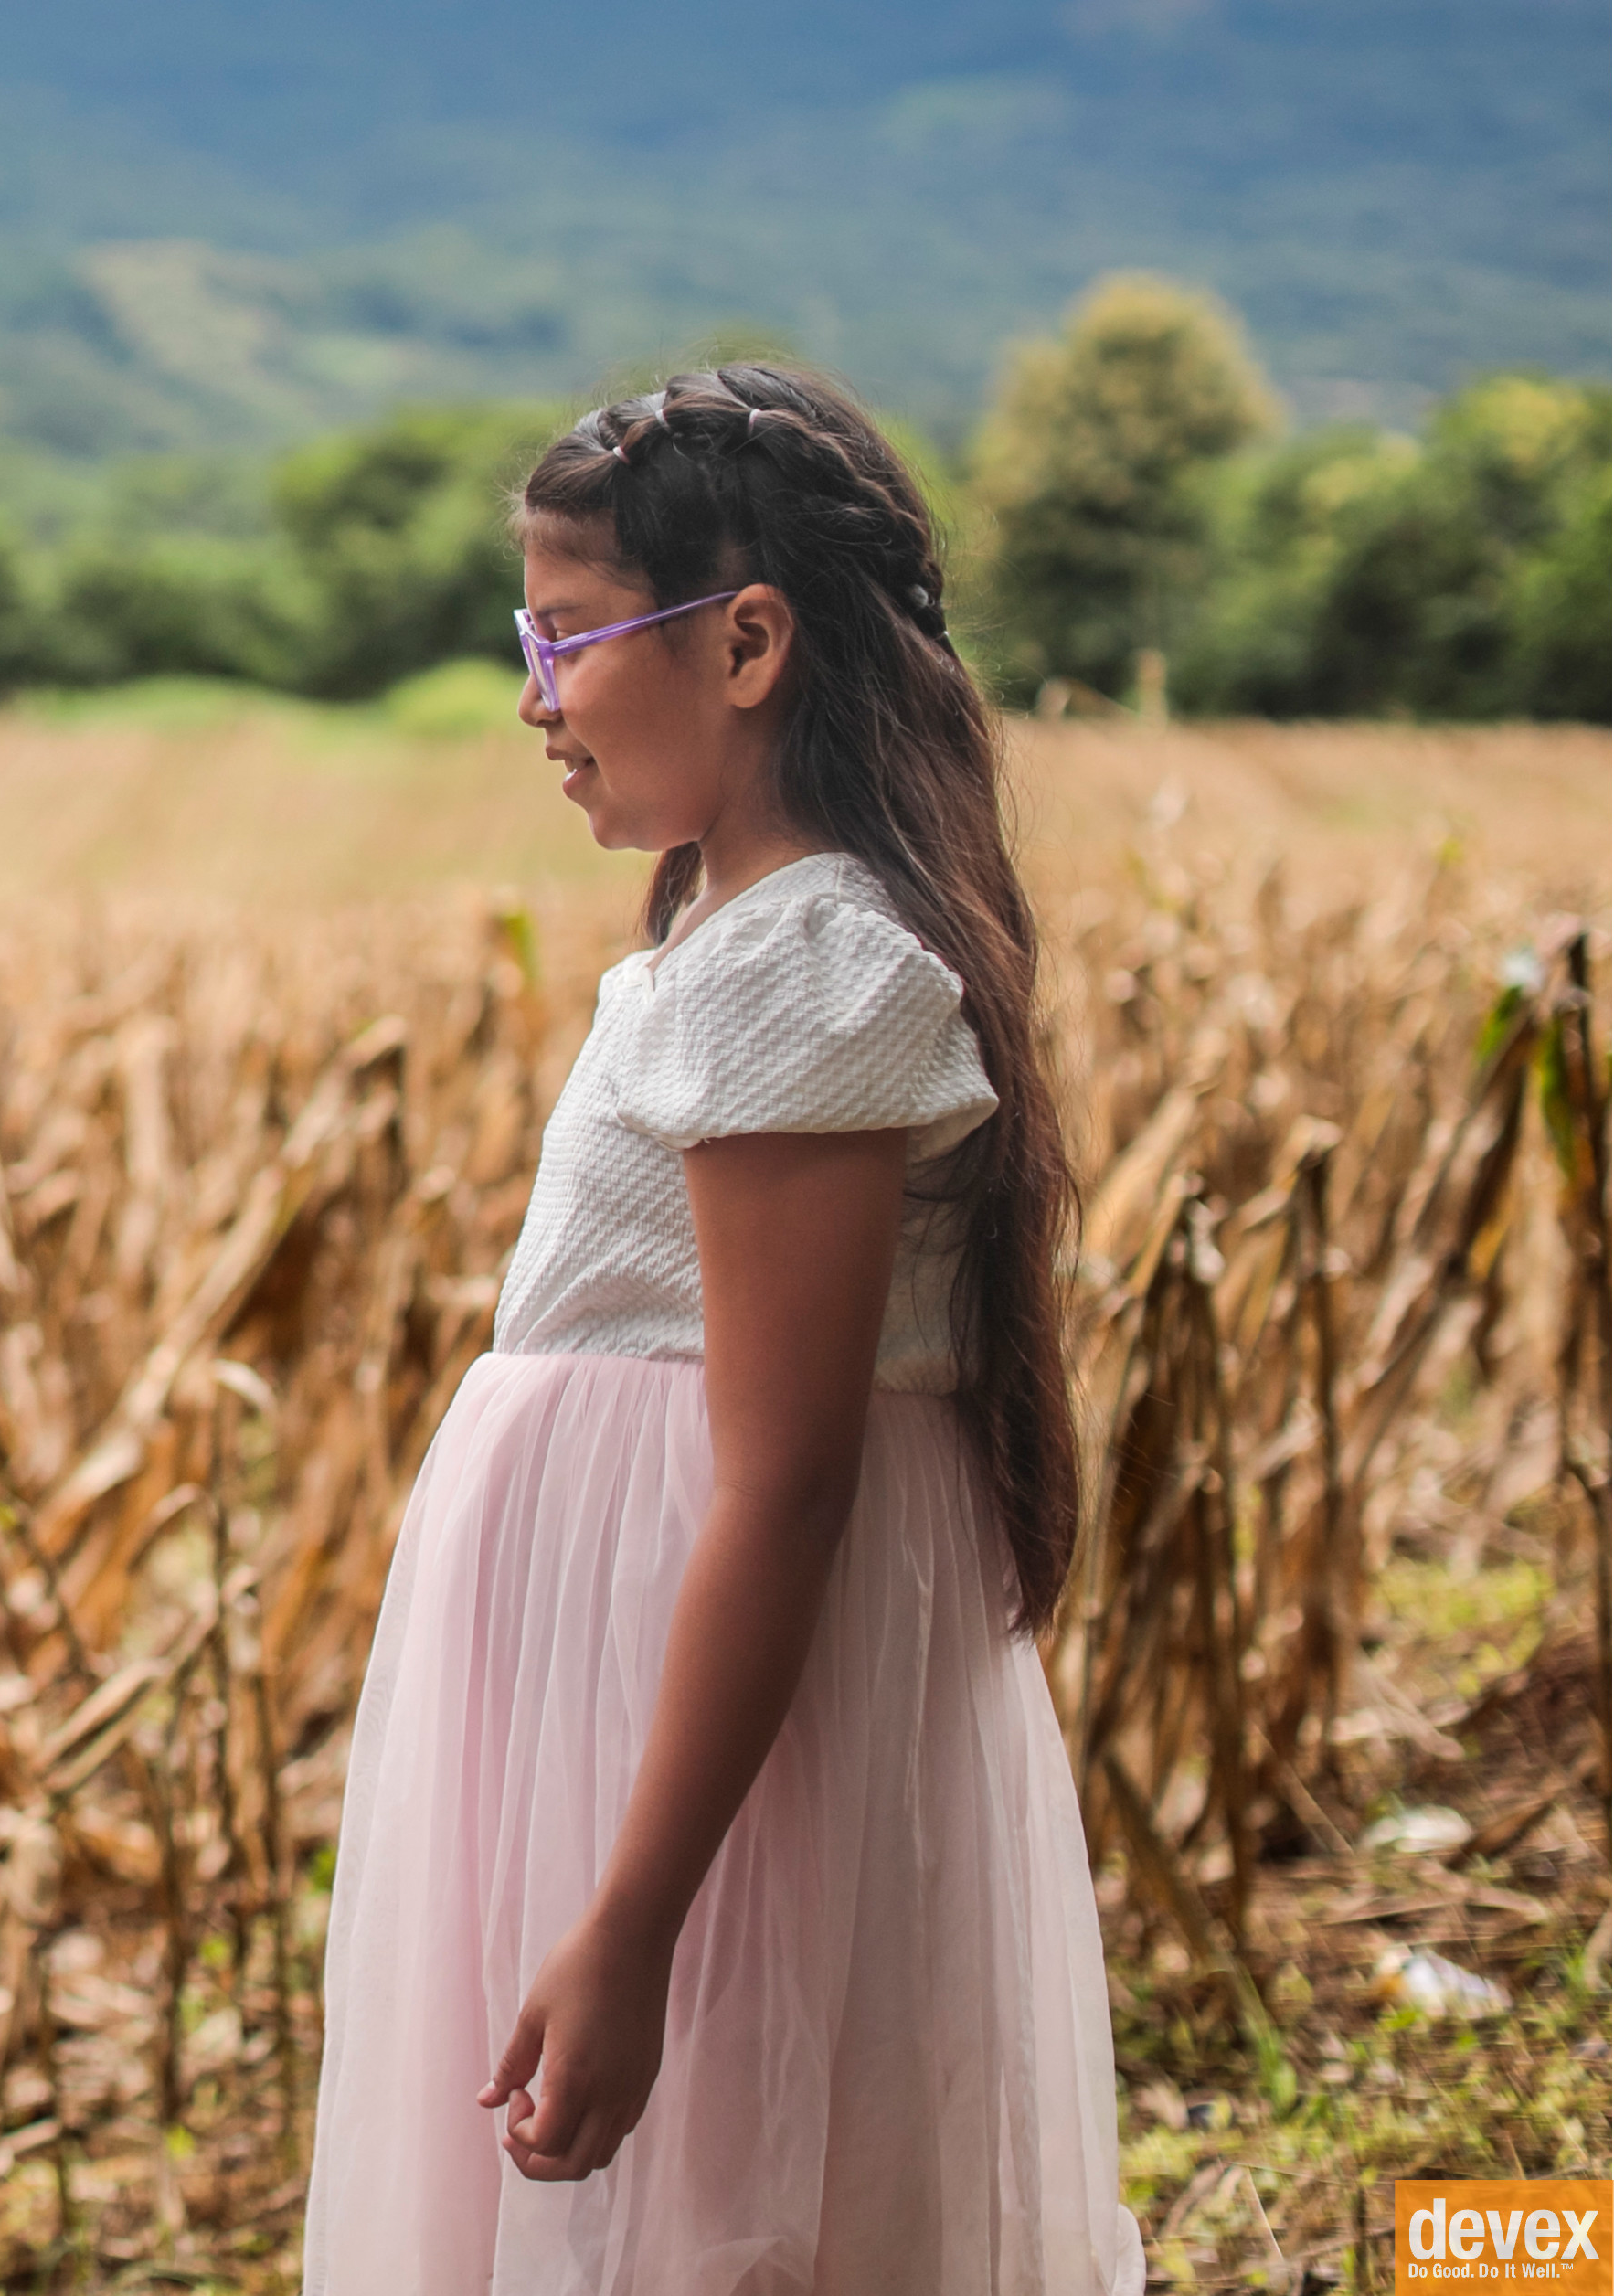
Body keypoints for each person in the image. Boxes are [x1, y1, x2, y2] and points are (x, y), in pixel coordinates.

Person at [301, 364, 1136, 2291]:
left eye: (567, 638)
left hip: (689, 1737)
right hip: (615, 1690)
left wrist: (636, 1919)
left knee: (721, 2205)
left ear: (745, 640)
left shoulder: (804, 969)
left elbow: (784, 1485)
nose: (532, 696)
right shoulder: (731, 936)